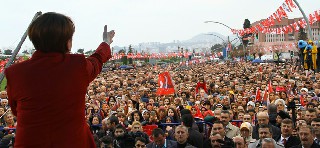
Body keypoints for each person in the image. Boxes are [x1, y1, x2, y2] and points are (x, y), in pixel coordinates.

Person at [4, 12, 115, 147]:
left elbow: (17, 110)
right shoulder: (77, 66)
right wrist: (106, 43)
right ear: (67, 41)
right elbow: (97, 60)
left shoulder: (15, 72)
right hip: (72, 142)